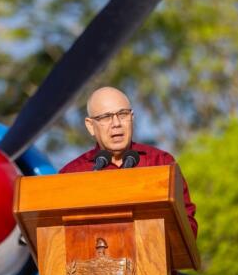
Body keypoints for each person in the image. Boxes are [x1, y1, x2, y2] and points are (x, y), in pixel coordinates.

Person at [59, 86, 198, 237]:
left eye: (122, 114)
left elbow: (187, 225)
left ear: (132, 117)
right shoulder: (71, 175)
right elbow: (58, 233)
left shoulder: (160, 163)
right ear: (90, 126)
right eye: (106, 117)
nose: (116, 123)